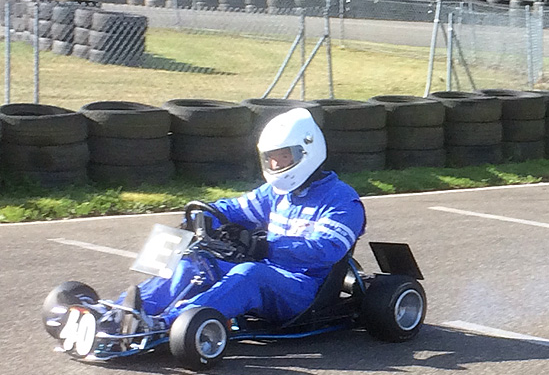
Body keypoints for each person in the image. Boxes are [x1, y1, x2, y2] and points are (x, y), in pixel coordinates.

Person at [117, 107, 366, 333]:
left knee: (249, 273)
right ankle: (120, 313)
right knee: (197, 262)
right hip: (269, 271)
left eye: (284, 157)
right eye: (271, 158)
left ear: (307, 150)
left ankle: (167, 323)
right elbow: (232, 209)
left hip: (304, 288)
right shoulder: (276, 194)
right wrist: (202, 219)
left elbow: (326, 250)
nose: (276, 164)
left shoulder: (342, 200)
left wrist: (264, 247)